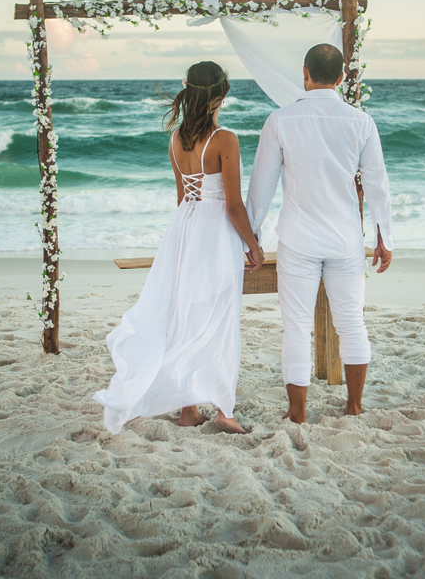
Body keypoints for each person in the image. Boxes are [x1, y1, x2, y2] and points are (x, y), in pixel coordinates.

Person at [94, 61, 264, 435]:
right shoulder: (225, 139)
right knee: (219, 318)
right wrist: (253, 245)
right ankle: (224, 411)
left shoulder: (175, 140)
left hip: (184, 230)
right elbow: (233, 205)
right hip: (214, 233)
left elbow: (182, 198)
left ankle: (188, 410)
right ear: (218, 95)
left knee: (183, 316)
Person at [245, 43, 394, 424]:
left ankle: (297, 414)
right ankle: (354, 405)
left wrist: (252, 237)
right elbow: (378, 184)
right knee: (351, 322)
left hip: (298, 238)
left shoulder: (280, 120)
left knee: (295, 327)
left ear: (304, 74)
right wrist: (384, 238)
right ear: (342, 78)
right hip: (345, 239)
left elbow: (261, 185)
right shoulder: (361, 121)